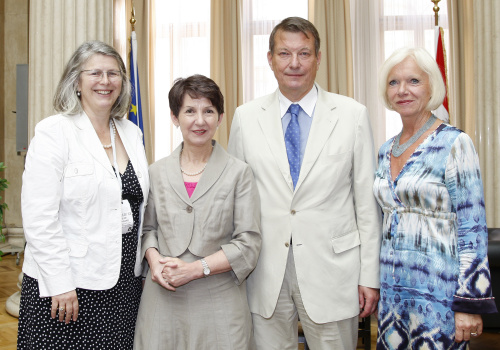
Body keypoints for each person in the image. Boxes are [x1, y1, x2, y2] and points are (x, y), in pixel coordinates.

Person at [228, 17, 381, 349]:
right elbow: (238, 202)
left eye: (304, 53)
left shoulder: (352, 115)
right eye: (284, 53)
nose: (294, 64)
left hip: (334, 271)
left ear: (319, 58)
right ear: (270, 59)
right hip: (264, 272)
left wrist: (370, 276)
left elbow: (366, 204)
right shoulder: (245, 117)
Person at [18, 40, 149, 349]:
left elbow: (140, 206)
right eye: (95, 73)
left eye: (113, 73)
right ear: (76, 81)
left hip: (123, 283)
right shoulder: (54, 132)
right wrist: (60, 283)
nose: (105, 81)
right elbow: (39, 218)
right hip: (68, 286)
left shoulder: (132, 133)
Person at [374, 47, 497, 349]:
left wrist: (469, 302)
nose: (402, 90)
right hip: (393, 296)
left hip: (439, 295)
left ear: (432, 87)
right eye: (393, 82)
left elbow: (473, 229)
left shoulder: (456, 143)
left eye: (414, 81)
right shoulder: (384, 149)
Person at [133, 74, 261, 350]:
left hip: (219, 303)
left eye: (208, 111)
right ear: (175, 117)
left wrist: (194, 269)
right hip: (163, 301)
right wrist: (154, 262)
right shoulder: (155, 172)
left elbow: (248, 243)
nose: (199, 121)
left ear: (221, 117)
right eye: (190, 110)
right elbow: (147, 229)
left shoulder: (240, 173)